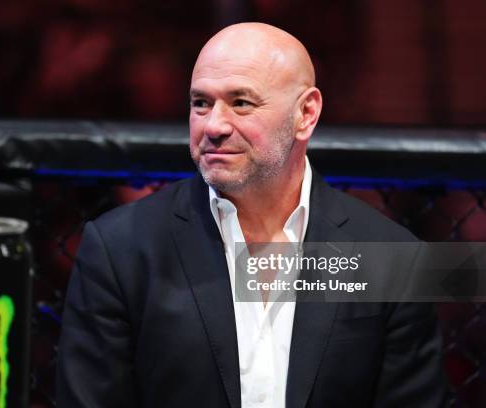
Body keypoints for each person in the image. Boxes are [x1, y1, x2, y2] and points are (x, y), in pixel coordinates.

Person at [57, 22, 447, 407]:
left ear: (306, 113)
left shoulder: (395, 258)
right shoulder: (119, 249)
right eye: (201, 103)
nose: (214, 125)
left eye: (241, 102)